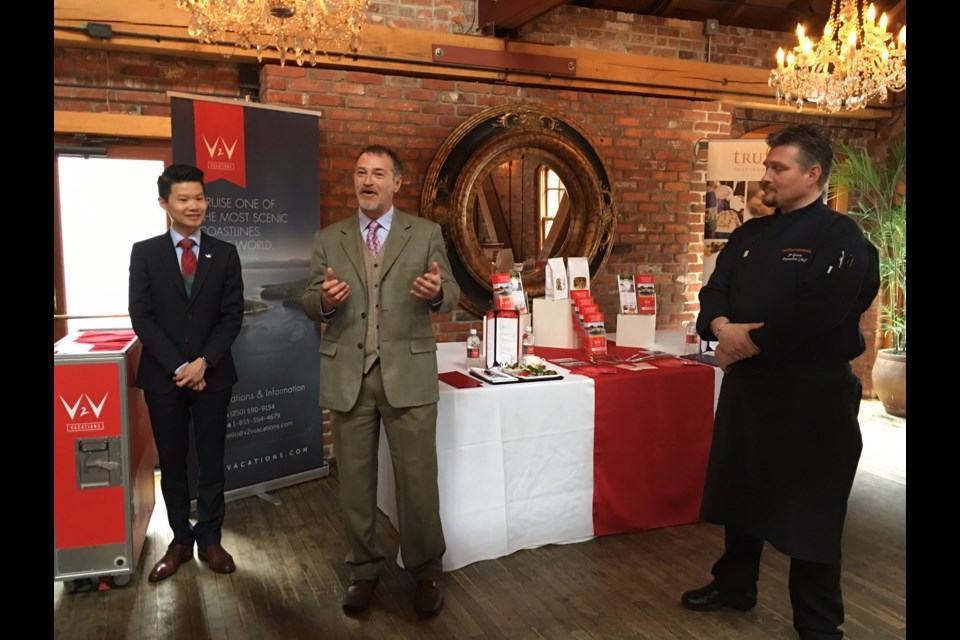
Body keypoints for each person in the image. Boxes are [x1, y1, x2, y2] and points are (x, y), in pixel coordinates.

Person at [681, 124, 880, 640]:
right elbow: (714, 291)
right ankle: (734, 585)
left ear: (813, 175)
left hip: (813, 395)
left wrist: (749, 343)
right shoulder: (748, 234)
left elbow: (825, 309)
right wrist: (723, 328)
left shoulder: (841, 237)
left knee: (812, 508)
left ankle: (817, 623)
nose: (765, 177)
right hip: (751, 389)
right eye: (767, 166)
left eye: (778, 168)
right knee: (741, 492)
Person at [301, 145, 460, 617]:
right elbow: (310, 298)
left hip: (407, 374)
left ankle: (427, 571)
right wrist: (325, 302)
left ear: (397, 183)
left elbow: (450, 292)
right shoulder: (329, 238)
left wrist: (436, 295)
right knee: (353, 482)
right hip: (349, 374)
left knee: (417, 482)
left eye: (378, 174)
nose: (367, 181)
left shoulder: (426, 232)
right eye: (360, 174)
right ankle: (364, 571)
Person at [129, 164, 244, 583]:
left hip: (213, 376)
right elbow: (141, 317)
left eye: (199, 197)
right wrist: (179, 366)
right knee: (173, 462)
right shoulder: (145, 253)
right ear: (164, 203)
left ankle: (211, 537)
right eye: (184, 199)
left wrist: (203, 363)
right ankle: (179, 539)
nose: (194, 206)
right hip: (164, 378)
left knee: (212, 459)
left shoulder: (225, 252)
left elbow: (232, 317)